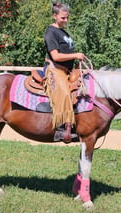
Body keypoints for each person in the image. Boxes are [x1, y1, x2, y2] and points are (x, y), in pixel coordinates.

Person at [44, 1, 85, 143]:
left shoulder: (63, 32)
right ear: (54, 16)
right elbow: (55, 56)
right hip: (55, 70)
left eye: (67, 17)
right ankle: (61, 129)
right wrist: (75, 55)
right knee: (65, 93)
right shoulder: (51, 32)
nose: (66, 20)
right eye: (63, 18)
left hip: (67, 71)